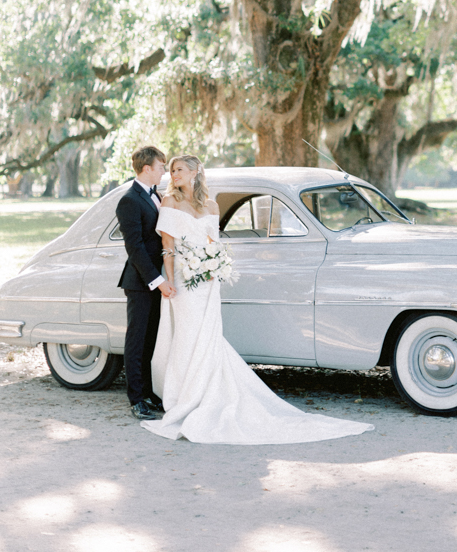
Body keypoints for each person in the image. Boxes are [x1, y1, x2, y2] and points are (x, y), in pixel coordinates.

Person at [142, 154, 373, 444]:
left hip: (208, 283)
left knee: (208, 337)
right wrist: (170, 282)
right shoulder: (170, 202)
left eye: (178, 170)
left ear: (194, 173)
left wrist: (216, 266)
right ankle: (186, 395)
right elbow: (168, 244)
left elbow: (214, 243)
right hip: (183, 282)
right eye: (171, 170)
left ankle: (206, 391)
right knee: (187, 336)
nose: (173, 175)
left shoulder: (211, 205)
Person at [116, 146, 176, 421]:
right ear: (147, 168)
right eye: (161, 166)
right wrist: (157, 281)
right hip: (141, 281)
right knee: (137, 340)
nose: (165, 171)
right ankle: (136, 398)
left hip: (158, 278)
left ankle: (150, 392)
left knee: (152, 340)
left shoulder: (156, 195)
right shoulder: (129, 200)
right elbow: (136, 248)